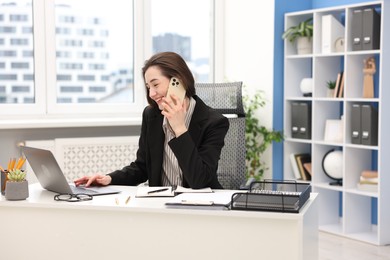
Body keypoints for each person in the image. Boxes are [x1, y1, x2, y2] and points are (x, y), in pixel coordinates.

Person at [74, 51, 229, 189]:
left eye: (155, 84)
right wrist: (109, 179)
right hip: (161, 206)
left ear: (179, 81)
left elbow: (199, 180)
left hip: (200, 208)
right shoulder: (151, 115)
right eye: (148, 87)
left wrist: (180, 129)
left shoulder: (214, 122)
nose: (152, 94)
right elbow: (143, 167)